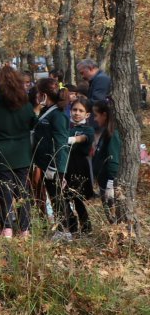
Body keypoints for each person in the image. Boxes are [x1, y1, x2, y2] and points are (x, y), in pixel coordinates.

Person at [0, 66, 36, 239]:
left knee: (3, 193)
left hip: (0, 154)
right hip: (22, 155)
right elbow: (33, 124)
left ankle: (7, 229)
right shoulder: (26, 106)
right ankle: (24, 229)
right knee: (22, 192)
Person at [31, 78, 72, 240]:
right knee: (53, 197)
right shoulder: (46, 111)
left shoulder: (58, 115)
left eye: (38, 93)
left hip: (54, 166)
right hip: (44, 163)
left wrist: (56, 168)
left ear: (44, 94)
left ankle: (65, 230)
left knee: (57, 197)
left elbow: (61, 144)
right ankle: (61, 229)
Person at [60, 97, 94, 236]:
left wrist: (71, 139)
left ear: (87, 114)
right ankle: (72, 227)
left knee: (78, 198)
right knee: (64, 198)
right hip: (64, 166)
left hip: (79, 166)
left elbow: (84, 138)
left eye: (81, 111)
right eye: (74, 109)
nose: (77, 113)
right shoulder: (65, 126)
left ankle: (86, 228)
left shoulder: (88, 129)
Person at [90, 100, 122, 218]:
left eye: (96, 115)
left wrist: (110, 183)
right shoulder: (106, 132)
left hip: (108, 183)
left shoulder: (112, 135)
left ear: (104, 115)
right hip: (103, 181)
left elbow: (113, 161)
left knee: (112, 214)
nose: (95, 119)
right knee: (108, 213)